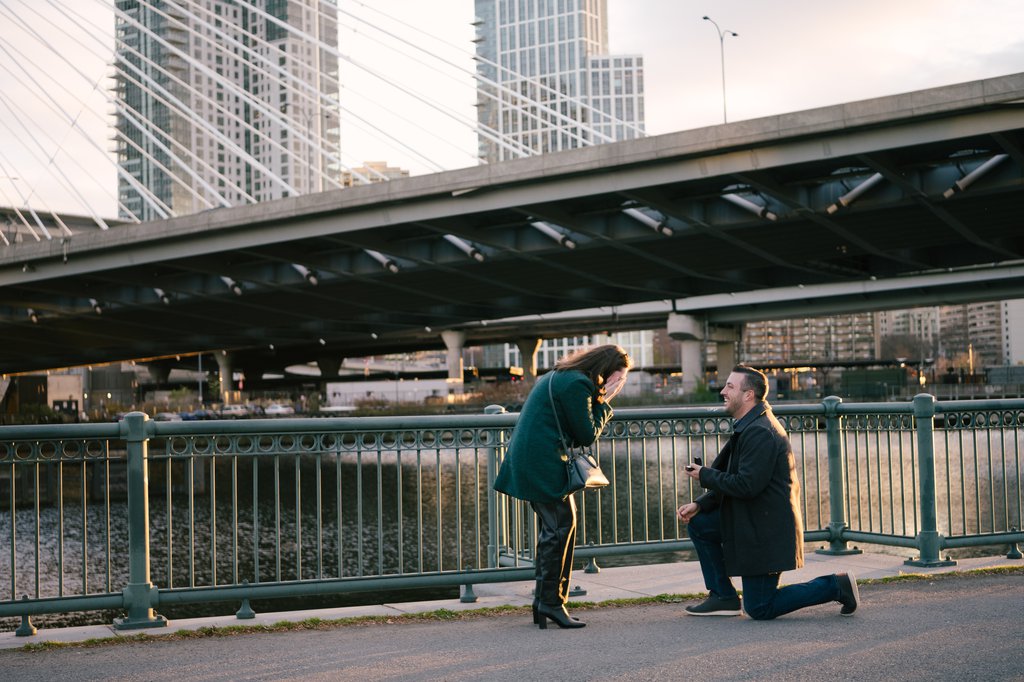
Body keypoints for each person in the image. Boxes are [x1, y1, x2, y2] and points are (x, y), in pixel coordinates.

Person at [676, 364, 859, 620]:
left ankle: (836, 586)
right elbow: (737, 479)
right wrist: (701, 504)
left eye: (730, 386)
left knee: (760, 607)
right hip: (751, 520)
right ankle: (723, 597)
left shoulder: (760, 431)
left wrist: (704, 474)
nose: (723, 391)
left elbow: (746, 485)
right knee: (701, 524)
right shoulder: (750, 425)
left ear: (748, 395)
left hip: (765, 532)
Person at [494, 344, 632, 629]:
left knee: (556, 530)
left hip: (535, 460)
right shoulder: (578, 384)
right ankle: (551, 603)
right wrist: (606, 400)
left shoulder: (560, 375)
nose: (618, 382)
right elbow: (586, 433)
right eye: (618, 377)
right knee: (559, 529)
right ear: (606, 371)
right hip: (542, 462)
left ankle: (546, 602)